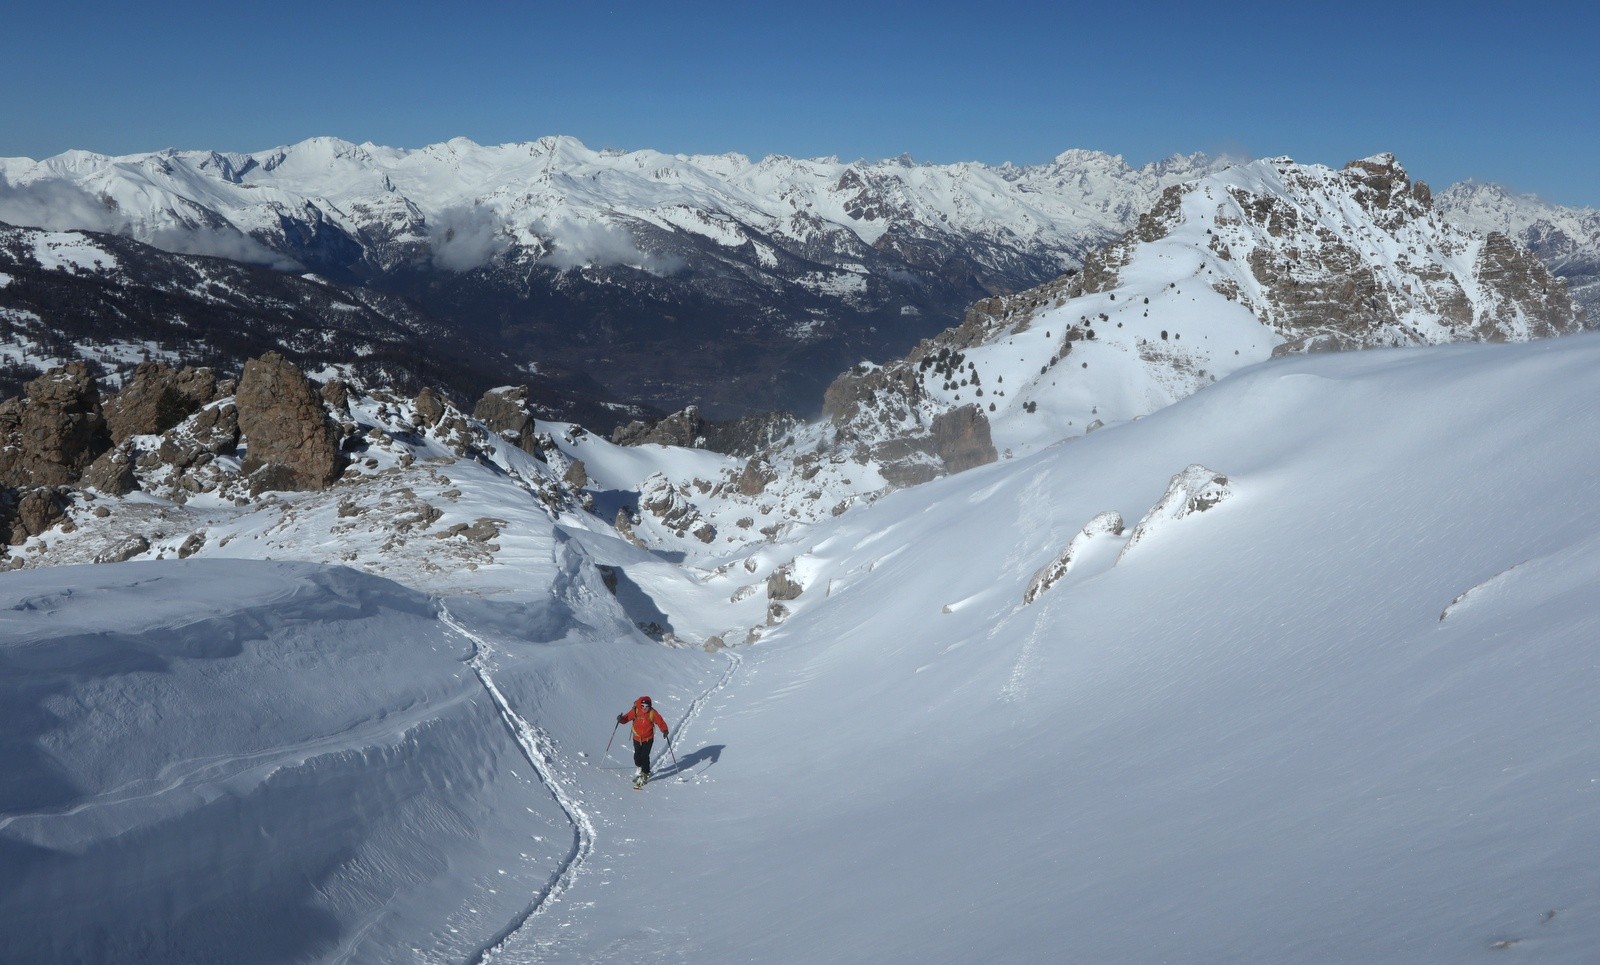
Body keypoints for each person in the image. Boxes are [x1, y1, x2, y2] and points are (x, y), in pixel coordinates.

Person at [617, 695, 668, 787]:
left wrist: (664, 730)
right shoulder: (636, 710)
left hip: (648, 739)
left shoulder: (653, 713)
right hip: (636, 738)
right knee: (637, 756)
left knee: (645, 756)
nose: (645, 708)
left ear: (650, 706)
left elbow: (660, 721)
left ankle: (645, 773)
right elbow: (627, 718)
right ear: (640, 705)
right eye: (643, 706)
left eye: (647, 706)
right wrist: (621, 719)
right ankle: (640, 767)